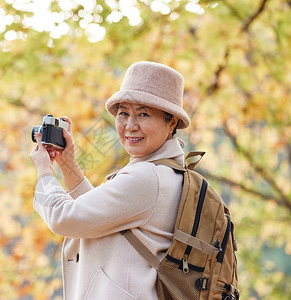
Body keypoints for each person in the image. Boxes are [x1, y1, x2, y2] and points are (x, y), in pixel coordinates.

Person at [30, 61, 191, 300]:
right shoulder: (169, 173)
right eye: (124, 113)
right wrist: (67, 163)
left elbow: (64, 218)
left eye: (143, 114)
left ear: (172, 122)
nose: (130, 126)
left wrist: (45, 172)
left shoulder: (147, 178)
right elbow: (99, 214)